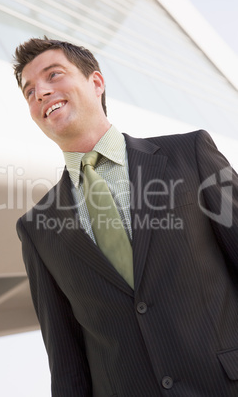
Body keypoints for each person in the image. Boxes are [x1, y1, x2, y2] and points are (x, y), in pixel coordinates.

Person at [13, 37, 238, 397]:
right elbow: (66, 360)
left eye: (53, 75)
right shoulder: (36, 228)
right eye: (29, 91)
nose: (40, 91)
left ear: (96, 82)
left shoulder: (190, 154)